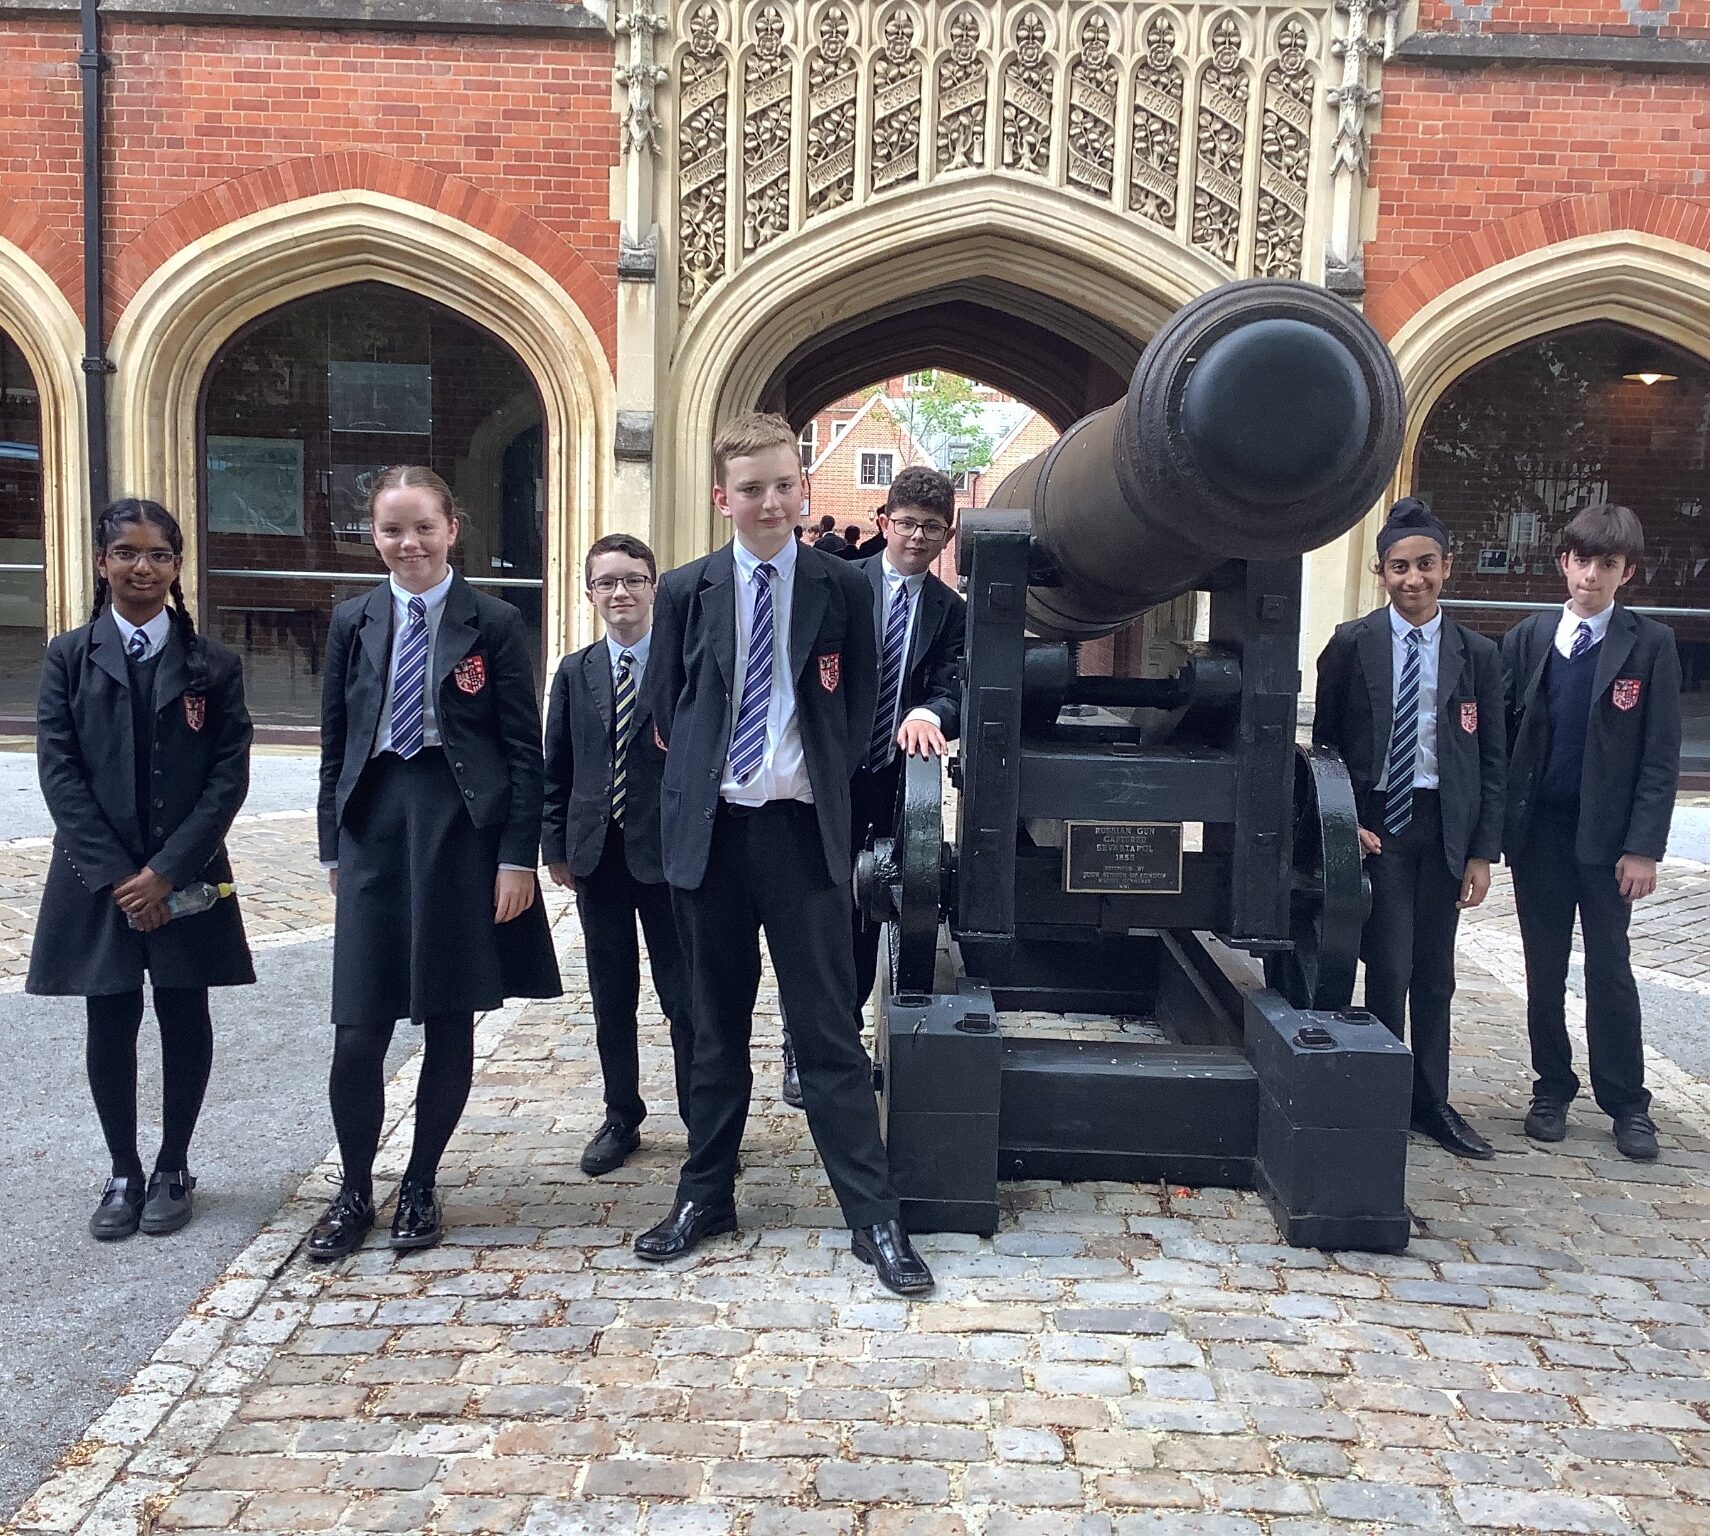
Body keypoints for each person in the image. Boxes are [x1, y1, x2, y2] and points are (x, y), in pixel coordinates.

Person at [636, 410, 933, 1296]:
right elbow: (664, 711)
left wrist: (822, 791)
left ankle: (872, 1216)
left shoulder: (841, 589)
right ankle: (706, 1195)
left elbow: (861, 709)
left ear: (804, 489)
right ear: (723, 497)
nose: (771, 501)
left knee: (828, 1031)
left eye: (784, 484)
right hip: (715, 838)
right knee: (712, 1030)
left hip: (804, 840)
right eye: (752, 488)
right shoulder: (688, 591)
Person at [310, 465, 561, 1259]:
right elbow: (336, 741)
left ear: (453, 528)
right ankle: (353, 1188)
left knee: (448, 1016)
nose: (408, 543)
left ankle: (420, 1181)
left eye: (423, 526)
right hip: (375, 824)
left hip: (459, 828)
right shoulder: (353, 619)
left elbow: (524, 750)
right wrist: (330, 847)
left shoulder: (490, 621)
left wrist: (517, 857)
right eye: (392, 529)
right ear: (373, 536)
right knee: (359, 1028)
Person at [29, 498, 255, 1240]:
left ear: (175, 566)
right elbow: (60, 773)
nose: (142, 567)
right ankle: (123, 1168)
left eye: (158, 554)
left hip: (184, 873)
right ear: (102, 563)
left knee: (185, 1011)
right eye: (126, 552)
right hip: (99, 878)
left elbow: (227, 776)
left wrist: (165, 872)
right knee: (111, 1014)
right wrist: (123, 878)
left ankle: (174, 1164)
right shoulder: (69, 656)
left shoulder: (211, 664)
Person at [1312, 498, 1505, 1160]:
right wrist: (1348, 821)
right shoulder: (1352, 644)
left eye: (1425, 565)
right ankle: (1385, 1095)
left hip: (1444, 828)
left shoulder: (1476, 654)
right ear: (1381, 572)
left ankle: (1433, 1102)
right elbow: (1328, 745)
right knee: (1389, 965)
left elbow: (1493, 760)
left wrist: (1482, 851)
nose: (1412, 579)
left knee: (1436, 974)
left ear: (1445, 568)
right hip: (1382, 827)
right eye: (1399, 567)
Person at [776, 467, 966, 1104]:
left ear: (948, 535)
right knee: (814, 906)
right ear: (883, 521)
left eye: (932, 528)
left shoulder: (951, 613)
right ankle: (800, 1045)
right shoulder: (838, 584)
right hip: (824, 775)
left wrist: (931, 711)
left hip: (890, 775)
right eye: (907, 522)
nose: (917, 536)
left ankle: (841, 1034)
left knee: (867, 907)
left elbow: (956, 681)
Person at [1502, 503, 1681, 1161]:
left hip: (1608, 842)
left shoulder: (1649, 645)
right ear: (1563, 564)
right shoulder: (1528, 638)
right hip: (1540, 834)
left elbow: (1660, 757)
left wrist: (1643, 846)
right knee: (1543, 969)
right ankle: (1551, 1087)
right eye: (1582, 561)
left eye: (1607, 564)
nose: (1591, 575)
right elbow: (1502, 734)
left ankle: (1627, 1103)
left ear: (1625, 572)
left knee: (1610, 969)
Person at [542, 533, 693, 1176]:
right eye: (606, 582)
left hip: (667, 857)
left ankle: (702, 1119)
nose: (620, 592)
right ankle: (621, 1114)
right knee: (611, 994)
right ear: (589, 592)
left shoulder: (683, 664)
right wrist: (554, 847)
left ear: (653, 586)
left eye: (632, 579)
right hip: (596, 855)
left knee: (684, 996)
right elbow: (557, 766)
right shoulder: (575, 672)